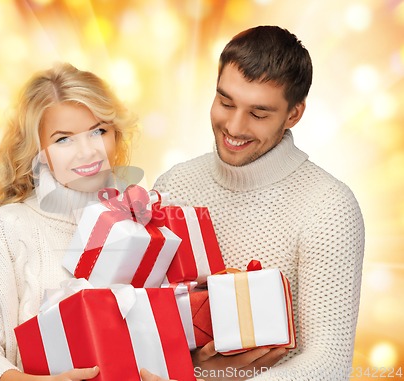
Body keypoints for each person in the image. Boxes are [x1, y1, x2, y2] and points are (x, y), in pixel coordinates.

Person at [155, 25, 365, 380]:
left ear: (294, 115)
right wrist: (194, 369)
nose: (234, 127)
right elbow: (143, 320)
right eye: (225, 102)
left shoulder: (329, 207)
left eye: (259, 113)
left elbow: (328, 365)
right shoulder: (174, 184)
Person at [0, 63, 170, 381]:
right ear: (38, 151)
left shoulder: (138, 221)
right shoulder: (11, 227)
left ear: (115, 135)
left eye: (98, 131)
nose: (87, 152)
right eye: (63, 139)